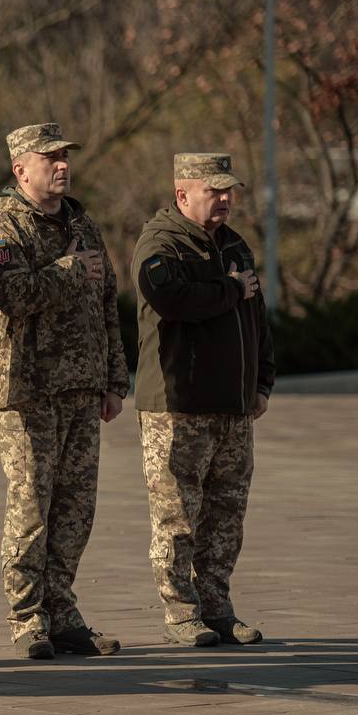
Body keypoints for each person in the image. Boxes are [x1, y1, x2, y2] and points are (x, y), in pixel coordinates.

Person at [0, 123, 128, 660]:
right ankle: (26, 618)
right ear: (21, 168)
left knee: (75, 508)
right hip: (30, 391)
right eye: (50, 158)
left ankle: (62, 610)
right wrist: (66, 270)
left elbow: (108, 301)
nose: (62, 166)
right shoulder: (3, 228)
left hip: (83, 390)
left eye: (65, 157)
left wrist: (114, 378)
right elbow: (8, 293)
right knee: (31, 507)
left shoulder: (82, 224)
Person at [132, 152, 274, 647]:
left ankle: (217, 607)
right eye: (214, 191)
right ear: (183, 194)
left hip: (232, 407)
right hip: (179, 408)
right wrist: (230, 291)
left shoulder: (234, 245)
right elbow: (171, 299)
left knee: (225, 514)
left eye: (228, 191)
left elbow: (257, 319)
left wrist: (262, 381)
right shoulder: (160, 243)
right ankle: (180, 614)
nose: (225, 200)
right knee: (177, 517)